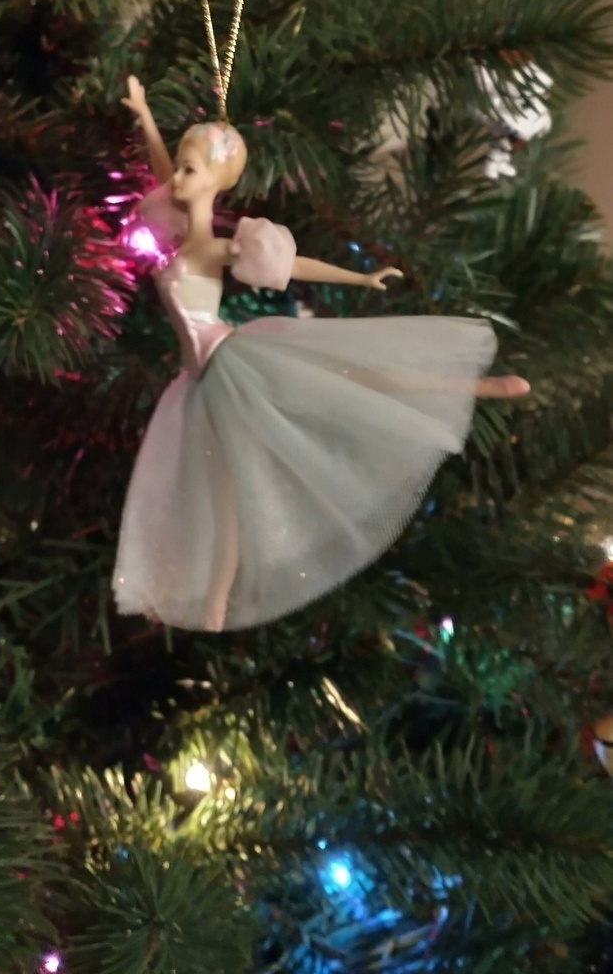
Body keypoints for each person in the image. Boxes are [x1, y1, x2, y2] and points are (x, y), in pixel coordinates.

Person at [112, 77, 529, 631]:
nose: (178, 179)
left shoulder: (216, 247)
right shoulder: (190, 230)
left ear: (214, 182)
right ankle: (216, 601)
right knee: (223, 490)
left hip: (233, 362)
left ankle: (473, 385)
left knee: (354, 380)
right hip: (200, 381)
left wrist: (361, 277)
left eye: (192, 171)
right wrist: (144, 113)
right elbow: (166, 171)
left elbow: (292, 267)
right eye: (183, 170)